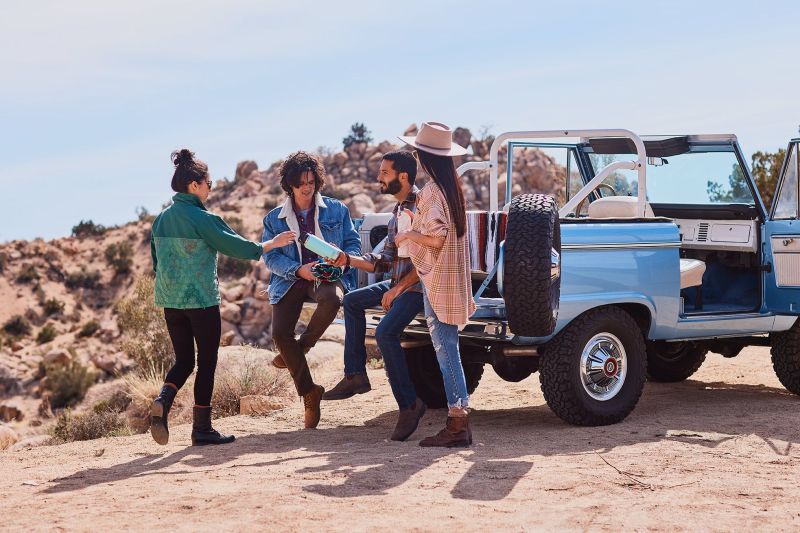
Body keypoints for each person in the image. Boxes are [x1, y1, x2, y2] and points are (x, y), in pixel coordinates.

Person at [150, 149, 295, 446]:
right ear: (194, 185)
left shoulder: (161, 220)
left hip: (171, 302)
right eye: (209, 183)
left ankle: (163, 400)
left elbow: (156, 262)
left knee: (183, 361)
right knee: (207, 362)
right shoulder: (203, 218)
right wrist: (271, 244)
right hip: (201, 301)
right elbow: (237, 247)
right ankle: (201, 428)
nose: (210, 189)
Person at [322, 150, 428, 441]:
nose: (378, 178)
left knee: (385, 333)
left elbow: (428, 260)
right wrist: (346, 259)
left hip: (419, 286)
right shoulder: (397, 210)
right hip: (397, 281)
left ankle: (410, 404)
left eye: (384, 173)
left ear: (402, 177)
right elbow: (383, 260)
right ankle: (355, 375)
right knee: (352, 300)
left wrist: (396, 289)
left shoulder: (422, 206)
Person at [262, 151, 361, 429]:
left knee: (333, 299)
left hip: (328, 276)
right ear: (289, 185)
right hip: (291, 278)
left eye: (311, 181)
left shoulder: (337, 210)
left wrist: (342, 259)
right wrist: (298, 270)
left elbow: (353, 244)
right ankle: (309, 392)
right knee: (280, 334)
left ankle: (303, 346)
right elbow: (270, 256)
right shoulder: (274, 219)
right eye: (301, 183)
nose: (307, 187)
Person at [395, 122, 477, 447]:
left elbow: (436, 237)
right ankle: (459, 423)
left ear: (424, 157)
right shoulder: (452, 189)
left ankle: (458, 424)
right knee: (449, 350)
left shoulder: (430, 192)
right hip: (452, 279)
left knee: (446, 352)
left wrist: (408, 234)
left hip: (437, 282)